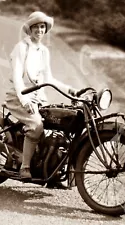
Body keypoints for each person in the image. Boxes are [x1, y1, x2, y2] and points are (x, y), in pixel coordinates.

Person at [5, 11, 77, 181]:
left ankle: (48, 166)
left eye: (42, 26)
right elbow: (16, 77)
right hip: (19, 95)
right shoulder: (21, 47)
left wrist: (71, 90)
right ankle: (25, 167)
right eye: (36, 26)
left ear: (46, 29)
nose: (39, 30)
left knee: (55, 125)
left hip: (38, 96)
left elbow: (49, 78)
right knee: (37, 127)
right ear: (29, 29)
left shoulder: (44, 51)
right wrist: (24, 100)